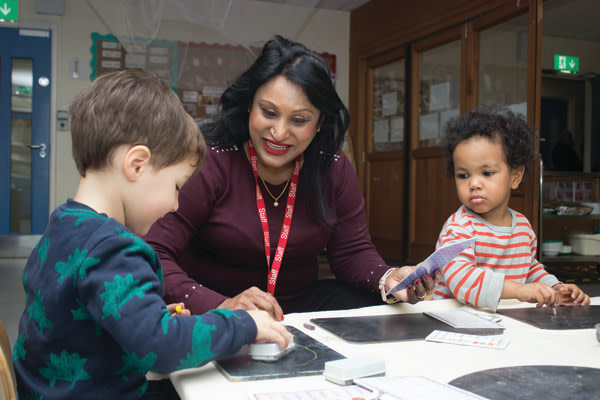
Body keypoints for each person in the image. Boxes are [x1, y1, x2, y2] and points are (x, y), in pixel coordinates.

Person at [13, 69, 291, 400]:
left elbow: (83, 315)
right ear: (137, 165)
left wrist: (155, 317)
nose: (175, 204)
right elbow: (160, 348)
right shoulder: (113, 249)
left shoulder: (64, 224)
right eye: (176, 186)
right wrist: (245, 325)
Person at [144, 35, 439, 321]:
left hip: (299, 305)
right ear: (249, 104)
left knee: (383, 312)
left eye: (299, 120)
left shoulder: (332, 166)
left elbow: (352, 252)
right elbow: (155, 251)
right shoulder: (210, 161)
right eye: (269, 112)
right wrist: (222, 305)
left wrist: (389, 278)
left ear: (320, 122)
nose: (280, 132)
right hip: (216, 306)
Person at [432, 107, 590, 310]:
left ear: (515, 176)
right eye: (463, 175)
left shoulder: (522, 226)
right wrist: (519, 290)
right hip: (454, 322)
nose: (473, 184)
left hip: (501, 321)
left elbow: (529, 268)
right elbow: (463, 281)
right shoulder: (458, 227)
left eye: (487, 173)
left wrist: (555, 287)